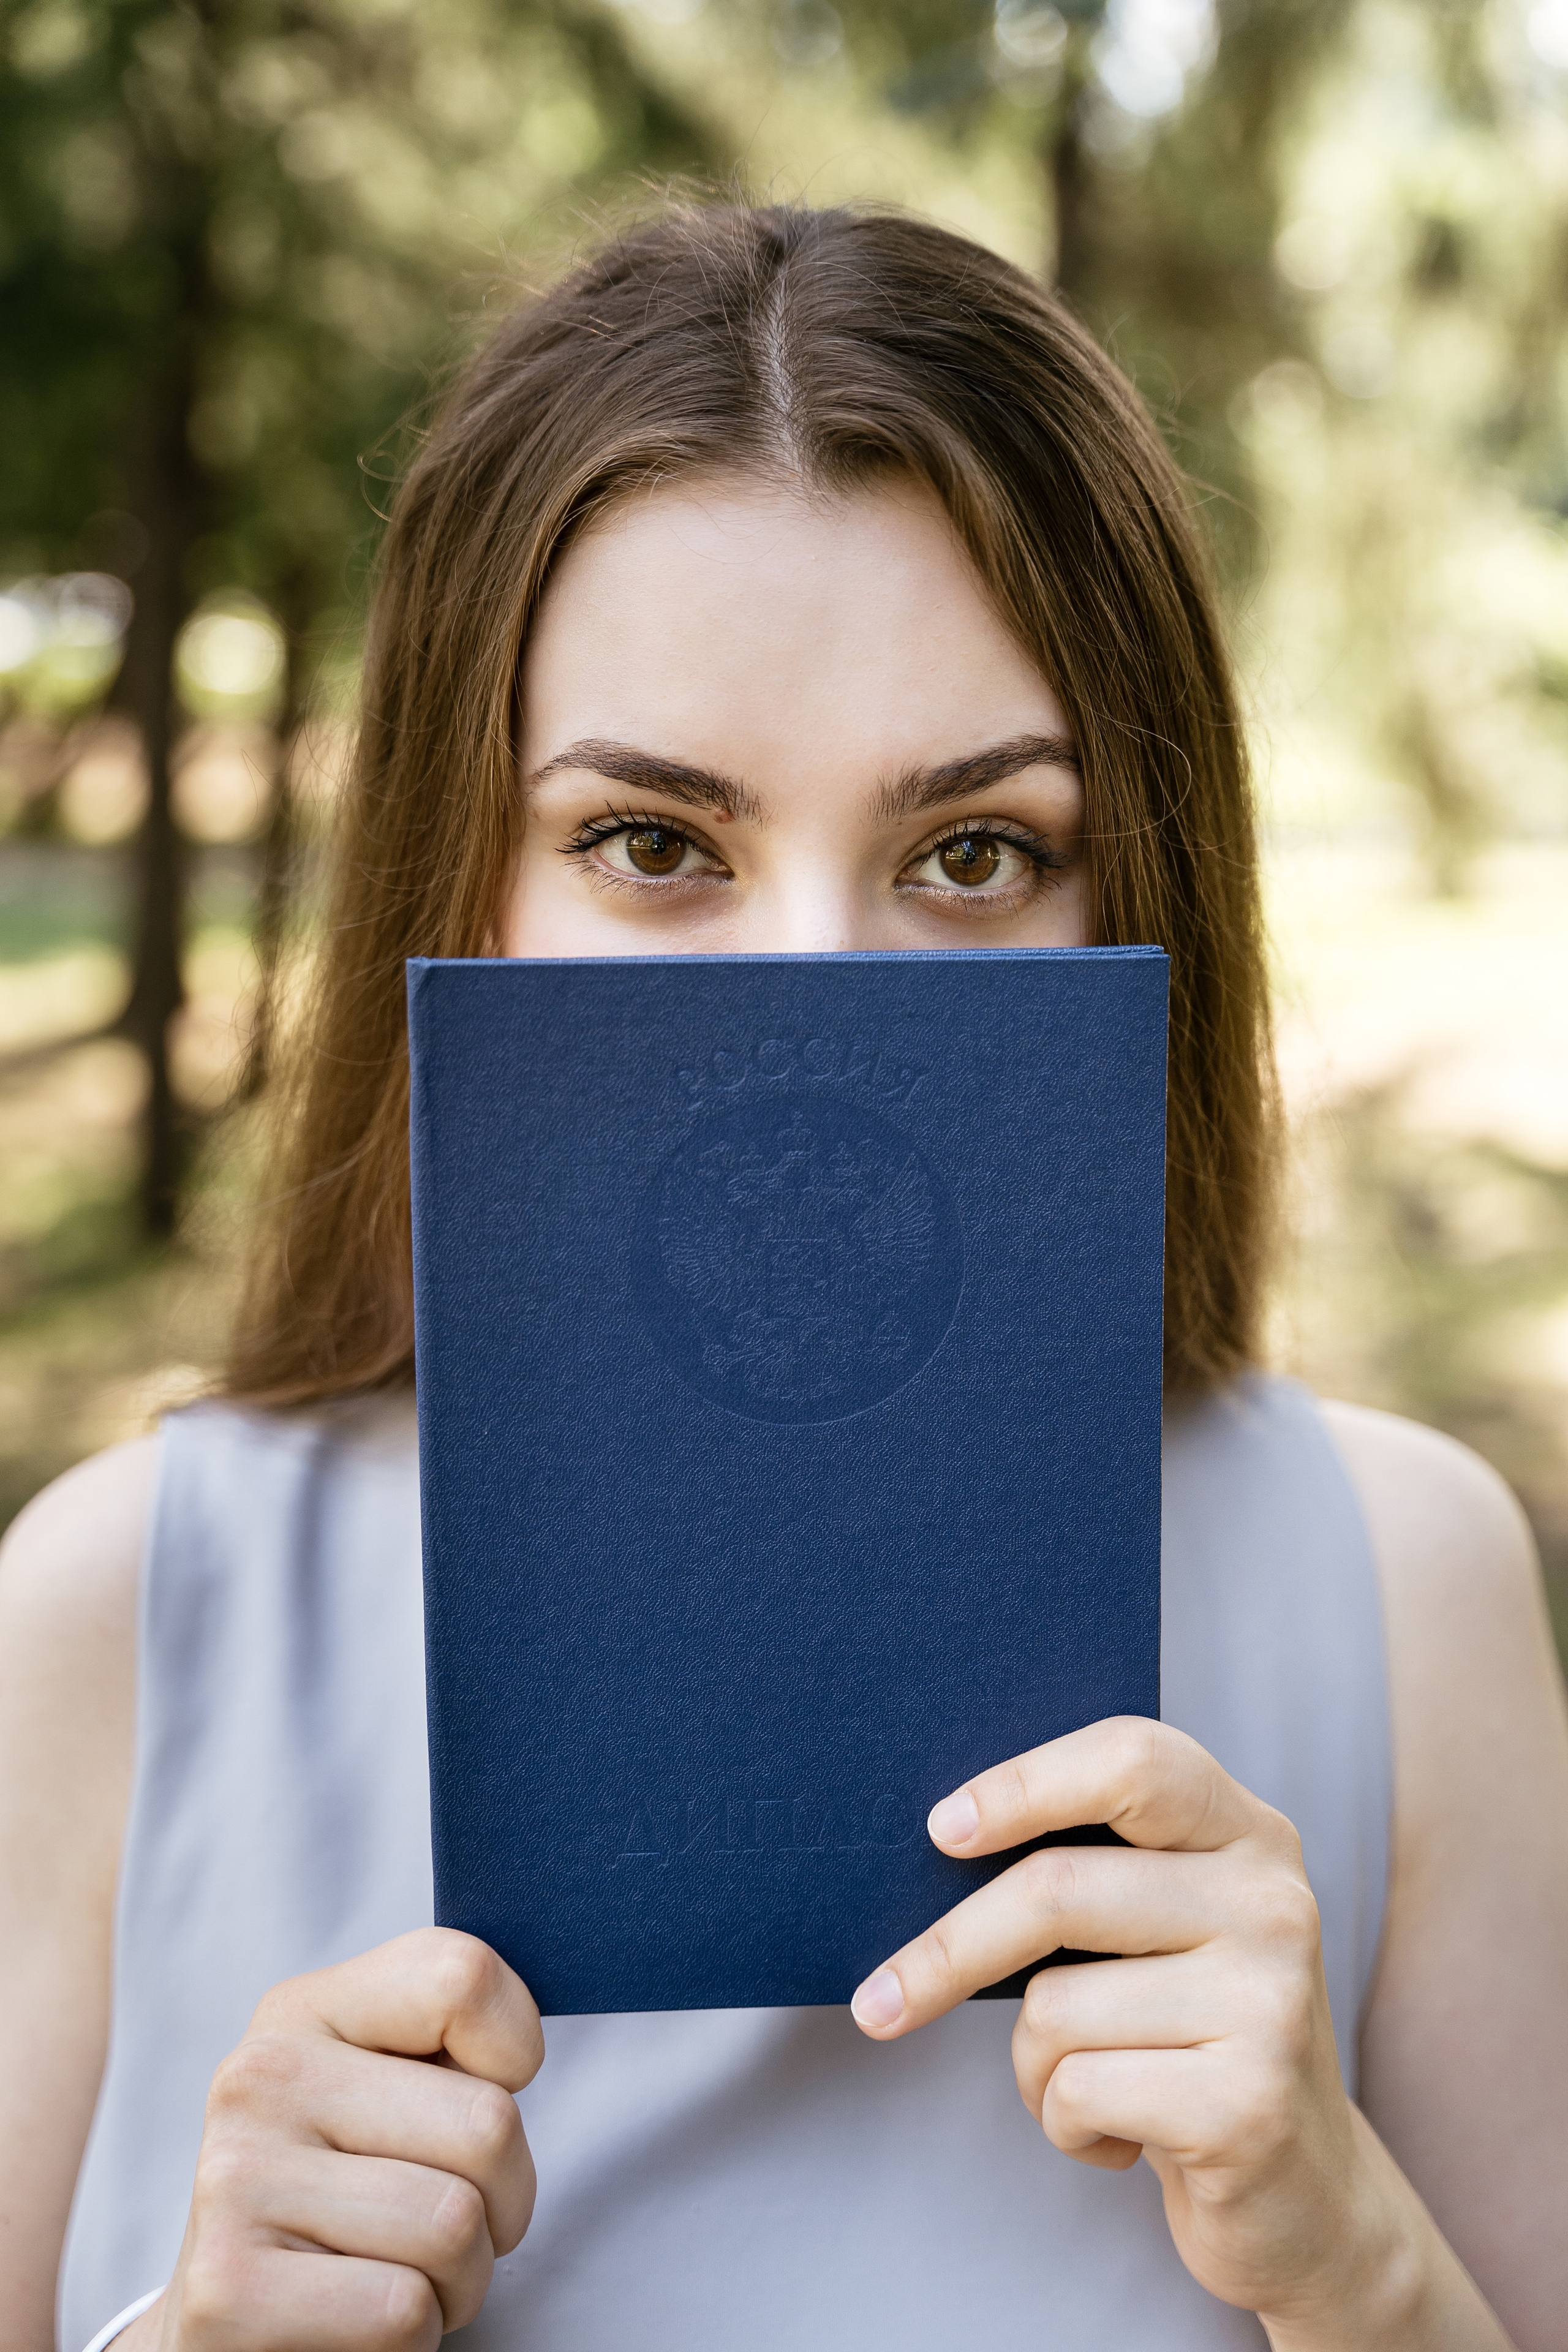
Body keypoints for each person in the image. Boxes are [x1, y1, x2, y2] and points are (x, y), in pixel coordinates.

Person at [2, 202, 1564, 2352]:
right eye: (654, 847)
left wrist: (1364, 2266)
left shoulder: (1403, 1590)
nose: (816, 1004)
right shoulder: (128, 1616)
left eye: (975, 853)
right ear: (455, 883)